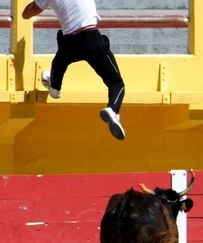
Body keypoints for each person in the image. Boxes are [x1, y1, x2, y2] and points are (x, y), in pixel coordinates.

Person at [22, 0, 126, 140]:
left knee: (60, 61)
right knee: (116, 83)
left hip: (69, 44)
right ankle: (112, 110)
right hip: (91, 39)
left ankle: (54, 88)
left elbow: (26, 13)